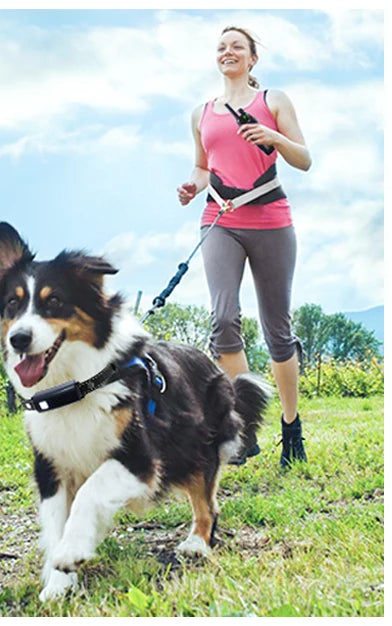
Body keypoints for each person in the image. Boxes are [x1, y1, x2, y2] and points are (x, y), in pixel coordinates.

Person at [176, 27, 311, 470]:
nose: (227, 51)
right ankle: (244, 428)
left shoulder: (273, 101)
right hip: (220, 219)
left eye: (237, 46)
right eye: (221, 47)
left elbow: (304, 158)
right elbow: (202, 166)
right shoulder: (202, 113)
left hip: (271, 219)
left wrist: (275, 139)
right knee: (223, 319)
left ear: (252, 58)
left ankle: (291, 428)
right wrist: (192, 186)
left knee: (278, 329)